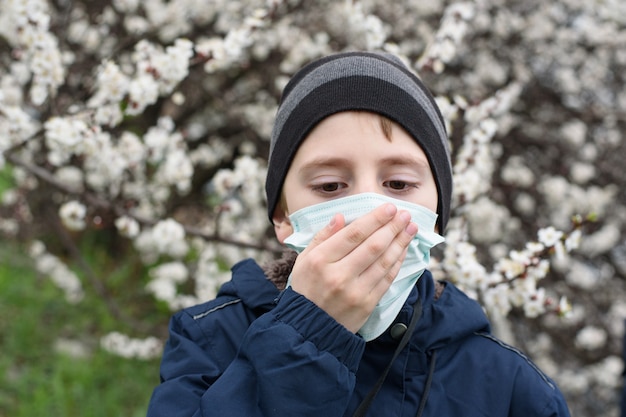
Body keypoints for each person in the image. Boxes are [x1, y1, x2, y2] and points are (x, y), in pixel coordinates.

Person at [146, 51, 571, 417]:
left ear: (437, 217)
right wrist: (307, 333)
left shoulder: (510, 388)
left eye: (400, 185)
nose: (372, 210)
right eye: (331, 186)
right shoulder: (208, 341)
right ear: (283, 216)